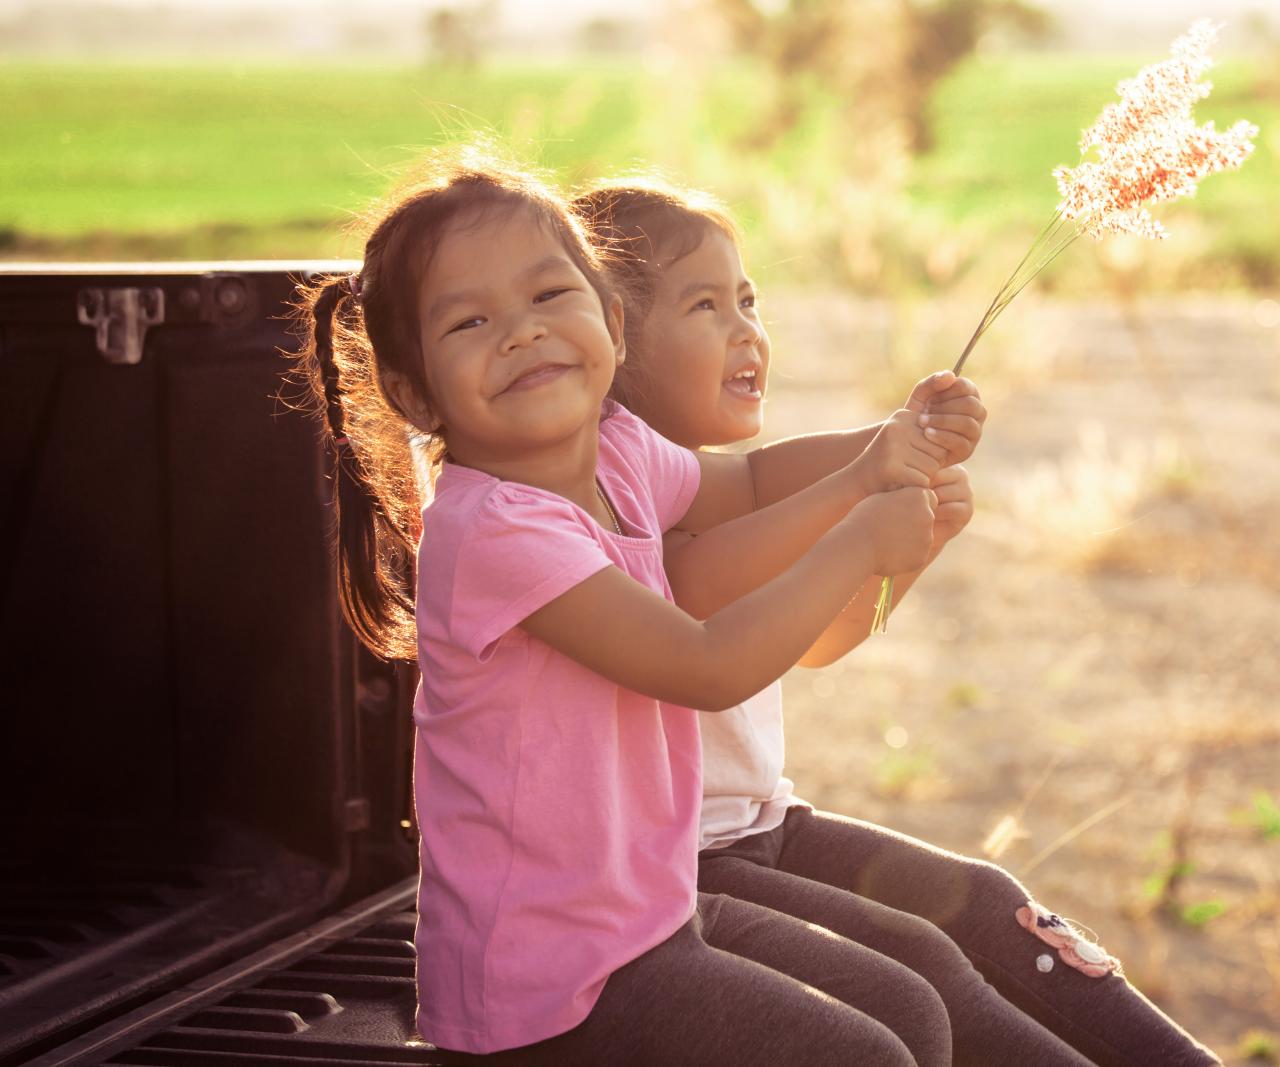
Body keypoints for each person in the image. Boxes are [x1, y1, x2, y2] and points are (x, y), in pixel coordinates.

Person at [573, 178, 1280, 1067]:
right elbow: (697, 599)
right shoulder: (619, 506)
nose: (746, 331)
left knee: (990, 905)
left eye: (750, 299)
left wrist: (909, 552)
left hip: (766, 825)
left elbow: (816, 645)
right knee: (933, 970)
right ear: (612, 339)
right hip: (690, 863)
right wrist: (859, 512)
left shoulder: (721, 482)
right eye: (705, 306)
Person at [290, 150, 982, 1065]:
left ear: (609, 321)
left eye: (549, 296)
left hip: (646, 921)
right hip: (547, 986)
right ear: (414, 391)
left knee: (914, 1009)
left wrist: (884, 448)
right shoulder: (493, 529)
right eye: (470, 321)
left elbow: (747, 481)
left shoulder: (616, 449)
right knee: (868, 1056)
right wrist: (857, 536)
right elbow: (703, 664)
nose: (523, 334)